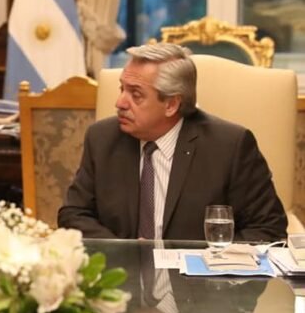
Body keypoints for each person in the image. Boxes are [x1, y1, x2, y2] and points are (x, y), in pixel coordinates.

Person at [58, 43, 287, 240]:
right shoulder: (102, 138)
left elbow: (268, 228)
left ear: (171, 105)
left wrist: (208, 261)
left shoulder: (230, 146)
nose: (120, 103)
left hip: (200, 276)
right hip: (121, 274)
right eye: (122, 89)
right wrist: (123, 252)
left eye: (135, 94)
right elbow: (73, 214)